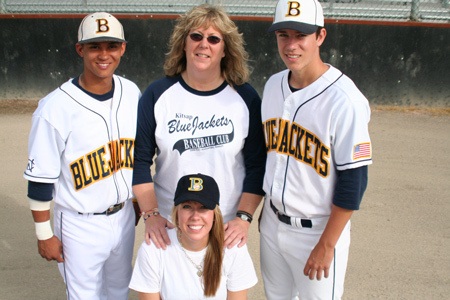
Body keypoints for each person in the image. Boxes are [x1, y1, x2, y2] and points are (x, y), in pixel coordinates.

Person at [259, 0, 373, 299]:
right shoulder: (272, 86)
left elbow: (354, 180)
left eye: (301, 35)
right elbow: (269, 156)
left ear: (320, 37)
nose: (291, 45)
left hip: (317, 232)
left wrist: (327, 244)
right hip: (272, 223)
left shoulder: (345, 100)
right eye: (284, 35)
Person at [23, 12, 141, 300]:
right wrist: (44, 234)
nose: (104, 54)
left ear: (122, 48)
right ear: (80, 49)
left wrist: (137, 201)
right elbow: (40, 179)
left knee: (119, 291)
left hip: (124, 215)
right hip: (79, 223)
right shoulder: (54, 108)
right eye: (95, 46)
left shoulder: (132, 92)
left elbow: (141, 156)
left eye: (111, 46)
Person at [132, 4, 266, 250]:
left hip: (225, 227)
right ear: (184, 43)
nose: (204, 44)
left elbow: (257, 166)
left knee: (225, 289)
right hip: (170, 225)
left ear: (225, 49)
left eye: (214, 39)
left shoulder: (245, 98)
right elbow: (139, 161)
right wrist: (150, 215)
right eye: (196, 36)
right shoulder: (157, 94)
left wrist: (243, 218)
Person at [129, 173, 258, 299]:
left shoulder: (233, 248)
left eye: (203, 207)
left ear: (214, 214)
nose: (195, 217)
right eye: (187, 206)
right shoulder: (154, 248)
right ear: (177, 212)